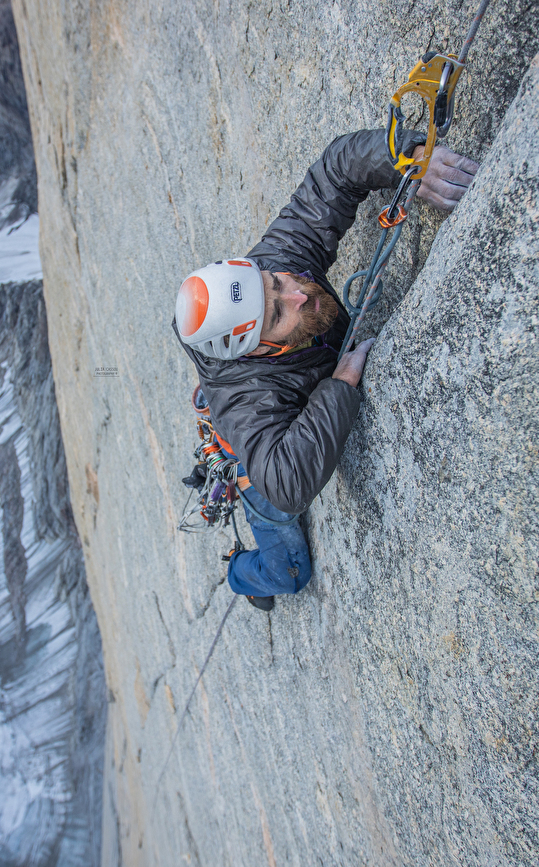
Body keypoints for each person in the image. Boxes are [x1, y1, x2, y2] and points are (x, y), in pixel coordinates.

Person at [173, 129, 478, 610]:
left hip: (259, 424)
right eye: (277, 315)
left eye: (273, 282)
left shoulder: (277, 268)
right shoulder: (249, 397)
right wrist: (338, 388)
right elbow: (285, 483)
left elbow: (336, 169)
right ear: (251, 351)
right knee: (289, 573)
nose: (297, 293)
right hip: (256, 469)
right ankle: (238, 572)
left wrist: (410, 162)